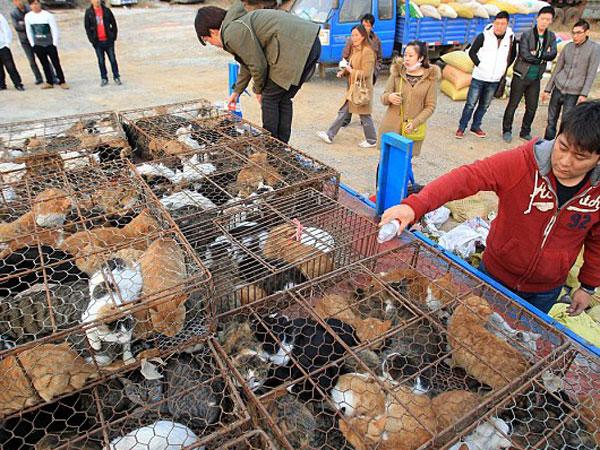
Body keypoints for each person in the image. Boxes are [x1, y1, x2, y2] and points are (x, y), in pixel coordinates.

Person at [381, 101, 600, 316]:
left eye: (580, 157)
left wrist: (587, 286)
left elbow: (597, 240)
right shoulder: (522, 163)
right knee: (477, 331)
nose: (565, 161)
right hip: (495, 276)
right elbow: (468, 177)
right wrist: (414, 206)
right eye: (562, 147)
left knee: (517, 344)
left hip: (546, 289)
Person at [194, 2, 320, 144]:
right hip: (310, 43)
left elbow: (257, 65)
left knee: (269, 99)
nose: (212, 44)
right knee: (282, 98)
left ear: (212, 31)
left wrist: (258, 90)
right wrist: (237, 92)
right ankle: (282, 145)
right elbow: (248, 61)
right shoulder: (237, 22)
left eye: (207, 40)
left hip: (294, 47)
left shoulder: (231, 32)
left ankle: (271, 147)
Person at [456, 11, 516, 139]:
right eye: (497, 23)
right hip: (479, 77)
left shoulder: (511, 38)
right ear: (494, 23)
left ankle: (476, 126)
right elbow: (472, 52)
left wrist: (502, 69)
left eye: (503, 24)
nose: (499, 26)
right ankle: (461, 127)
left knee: (484, 105)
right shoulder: (484, 36)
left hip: (494, 79)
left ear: (507, 24)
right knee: (470, 104)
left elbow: (513, 55)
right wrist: (480, 65)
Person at [317, 24, 377, 148]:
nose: (353, 38)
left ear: (363, 36)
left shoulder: (368, 52)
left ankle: (371, 140)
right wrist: (343, 72)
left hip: (361, 89)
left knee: (363, 114)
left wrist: (350, 71)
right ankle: (330, 134)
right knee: (347, 111)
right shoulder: (356, 50)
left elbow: (366, 73)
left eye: (356, 35)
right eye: (352, 35)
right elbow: (352, 67)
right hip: (354, 88)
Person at [502, 6, 556, 143]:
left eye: (548, 19)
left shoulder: (551, 36)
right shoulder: (527, 34)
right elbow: (525, 55)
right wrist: (544, 56)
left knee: (532, 107)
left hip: (535, 77)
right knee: (513, 104)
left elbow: (553, 54)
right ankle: (507, 130)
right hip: (521, 75)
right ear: (537, 18)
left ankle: (525, 131)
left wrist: (538, 55)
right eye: (542, 18)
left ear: (551, 21)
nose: (544, 22)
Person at [378, 41, 439, 157]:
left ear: (421, 58)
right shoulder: (397, 73)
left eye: (411, 56)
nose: (406, 58)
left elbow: (430, 106)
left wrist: (415, 123)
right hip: (391, 127)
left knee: (404, 164)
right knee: (385, 163)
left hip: (411, 129)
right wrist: (389, 97)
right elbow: (383, 97)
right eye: (405, 55)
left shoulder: (430, 79)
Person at [542, 20, 600, 141]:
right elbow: (557, 68)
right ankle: (547, 142)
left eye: (579, 33)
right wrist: (548, 89)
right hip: (559, 87)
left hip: (573, 92)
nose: (575, 36)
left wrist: (583, 94)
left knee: (566, 121)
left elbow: (591, 73)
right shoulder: (568, 47)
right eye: (573, 33)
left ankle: (559, 144)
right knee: (551, 119)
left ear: (586, 32)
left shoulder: (594, 49)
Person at [340, 13, 383, 129]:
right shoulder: (352, 40)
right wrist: (346, 70)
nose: (365, 28)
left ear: (372, 27)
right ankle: (344, 120)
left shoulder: (376, 41)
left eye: (368, 26)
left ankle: (365, 123)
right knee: (350, 97)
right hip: (353, 75)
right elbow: (345, 56)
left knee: (363, 97)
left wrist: (374, 73)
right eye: (363, 25)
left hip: (367, 76)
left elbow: (379, 59)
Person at [25, 0, 68, 89]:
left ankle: (62, 81)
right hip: (38, 44)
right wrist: (33, 44)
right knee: (44, 64)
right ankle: (49, 81)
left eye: (36, 4)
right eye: (33, 4)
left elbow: (54, 29)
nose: (35, 6)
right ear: (30, 6)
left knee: (56, 63)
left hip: (49, 43)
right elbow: (29, 31)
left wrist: (54, 43)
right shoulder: (28, 17)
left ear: (40, 4)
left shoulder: (48, 15)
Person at [84, 0, 121, 86]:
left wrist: (113, 36)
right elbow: (87, 28)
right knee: (101, 61)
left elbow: (114, 24)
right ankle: (104, 78)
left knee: (112, 59)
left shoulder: (106, 11)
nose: (96, 1)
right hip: (97, 42)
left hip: (108, 40)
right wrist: (92, 40)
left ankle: (116, 76)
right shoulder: (89, 12)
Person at [11, 0, 46, 84]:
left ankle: (52, 76)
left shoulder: (30, 8)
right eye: (16, 1)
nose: (19, 3)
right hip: (25, 40)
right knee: (31, 60)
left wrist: (24, 23)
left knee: (43, 57)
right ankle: (38, 77)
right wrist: (28, 25)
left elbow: (36, 21)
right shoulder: (14, 13)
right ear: (14, 3)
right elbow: (17, 27)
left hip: (36, 38)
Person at [0, 13, 24, 91]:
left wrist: (7, 43)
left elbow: (6, 29)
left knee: (10, 66)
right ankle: (2, 84)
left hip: (2, 46)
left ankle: (18, 84)